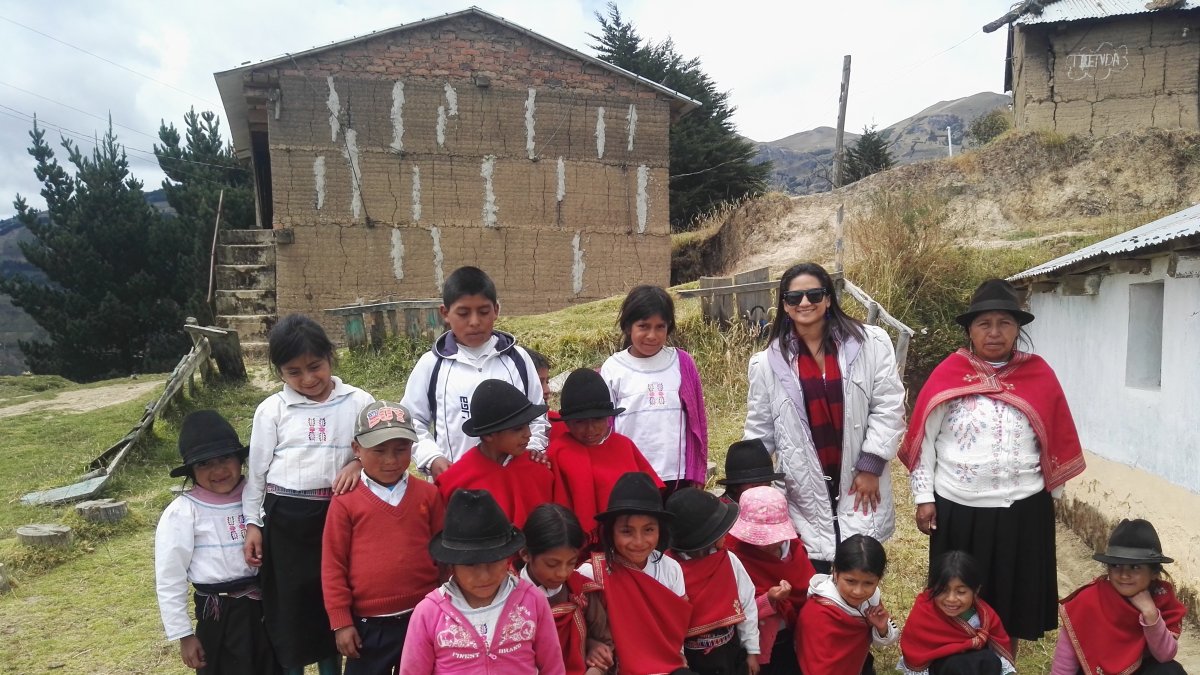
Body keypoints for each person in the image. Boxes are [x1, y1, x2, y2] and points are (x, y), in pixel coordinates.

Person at [899, 278, 1085, 649]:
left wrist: (1053, 496)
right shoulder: (948, 374)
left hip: (1024, 509)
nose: (995, 333)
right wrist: (924, 497)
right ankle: (956, 662)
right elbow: (924, 441)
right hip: (959, 508)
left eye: (1005, 323)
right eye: (985, 324)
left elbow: (1057, 434)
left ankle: (1003, 664)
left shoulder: (1040, 374)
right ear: (970, 329)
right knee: (956, 599)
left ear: (1018, 329)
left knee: (1012, 601)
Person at [743, 262, 905, 570]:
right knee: (812, 578)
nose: (805, 303)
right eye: (794, 298)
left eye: (814, 294)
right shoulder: (767, 363)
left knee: (858, 577)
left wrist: (871, 465)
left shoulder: (870, 343)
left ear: (829, 298)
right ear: (785, 306)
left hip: (859, 477)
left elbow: (889, 404)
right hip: (803, 485)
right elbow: (759, 429)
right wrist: (750, 482)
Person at [242, 314, 375, 675]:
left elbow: (379, 449)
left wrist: (359, 464)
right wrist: (253, 524)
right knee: (291, 606)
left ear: (330, 356)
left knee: (330, 602)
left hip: (339, 516)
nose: (308, 379)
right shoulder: (273, 410)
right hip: (285, 520)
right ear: (280, 373)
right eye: (293, 372)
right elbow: (256, 474)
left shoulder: (359, 401)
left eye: (315, 366)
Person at [322, 401, 446, 674]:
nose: (390, 460)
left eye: (400, 449)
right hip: (368, 626)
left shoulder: (428, 495)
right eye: (379, 450)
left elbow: (443, 555)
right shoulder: (345, 502)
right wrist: (341, 622)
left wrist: (448, 604)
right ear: (357, 450)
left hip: (422, 616)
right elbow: (333, 565)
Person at [155, 410, 278, 675]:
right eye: (204, 464)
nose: (218, 470)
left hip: (266, 607)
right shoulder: (183, 512)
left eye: (226, 458)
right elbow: (169, 578)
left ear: (241, 460)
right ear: (191, 471)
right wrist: (184, 635)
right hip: (217, 614)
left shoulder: (260, 495)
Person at [401, 266, 548, 478]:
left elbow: (538, 412)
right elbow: (412, 421)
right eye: (463, 313)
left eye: (484, 311)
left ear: (496, 310)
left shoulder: (517, 359)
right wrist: (432, 458)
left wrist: (533, 447)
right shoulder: (432, 365)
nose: (475, 322)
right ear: (445, 313)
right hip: (457, 482)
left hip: (514, 479)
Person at [399, 489, 566, 674]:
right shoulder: (429, 613)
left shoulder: (532, 601)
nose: (484, 576)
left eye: (493, 562)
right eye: (470, 565)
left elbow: (553, 667)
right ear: (451, 565)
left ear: (507, 558)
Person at [577, 472, 691, 674]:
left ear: (660, 530)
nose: (639, 542)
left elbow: (676, 628)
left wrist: (677, 656)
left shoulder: (671, 569)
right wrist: (591, 644)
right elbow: (575, 629)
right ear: (611, 532)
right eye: (627, 531)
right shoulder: (591, 572)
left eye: (648, 530)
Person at [600, 285, 708, 496]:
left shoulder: (681, 363)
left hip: (676, 476)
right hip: (631, 476)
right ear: (628, 326)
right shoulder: (613, 368)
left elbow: (697, 421)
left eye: (660, 327)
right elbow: (607, 427)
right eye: (643, 326)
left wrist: (697, 470)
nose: (652, 335)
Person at [1053, 519, 1187, 675]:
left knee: (1171, 671)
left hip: (1139, 669)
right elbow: (1064, 664)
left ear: (1154, 573)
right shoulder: (1089, 600)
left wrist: (1150, 614)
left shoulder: (1161, 599)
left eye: (1135, 567)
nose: (1124, 574)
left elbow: (1165, 655)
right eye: (1116, 565)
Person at [548, 367, 662, 547]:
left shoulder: (623, 446)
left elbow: (648, 492)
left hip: (630, 541)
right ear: (567, 423)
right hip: (578, 545)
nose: (590, 430)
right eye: (580, 422)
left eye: (598, 420)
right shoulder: (559, 451)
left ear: (608, 418)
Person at [666, 488, 761, 675]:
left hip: (729, 653)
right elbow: (668, 621)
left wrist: (752, 650)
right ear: (706, 537)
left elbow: (747, 604)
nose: (726, 536)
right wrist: (678, 657)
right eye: (721, 531)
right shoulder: (669, 569)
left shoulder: (729, 561)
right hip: (691, 660)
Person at [434, 378, 553, 528]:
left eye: (528, 425)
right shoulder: (455, 481)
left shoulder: (538, 469)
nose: (528, 434)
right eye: (517, 429)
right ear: (488, 435)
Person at [726, 486, 816, 675]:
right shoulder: (735, 556)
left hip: (794, 637)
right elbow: (736, 609)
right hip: (758, 644)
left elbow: (808, 590)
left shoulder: (796, 550)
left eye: (771, 538)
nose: (765, 544)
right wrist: (770, 599)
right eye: (758, 538)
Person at [520, 503, 614, 675]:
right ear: (526, 554)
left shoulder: (582, 592)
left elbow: (604, 643)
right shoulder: (509, 598)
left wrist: (595, 653)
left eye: (571, 563)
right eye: (552, 564)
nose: (562, 573)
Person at [795, 535, 898, 675]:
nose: (858, 591)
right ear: (835, 572)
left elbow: (884, 640)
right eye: (850, 581)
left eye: (868, 583)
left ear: (878, 579)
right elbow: (816, 667)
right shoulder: (816, 613)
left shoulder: (872, 598)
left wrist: (882, 628)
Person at [899, 551, 1015, 675]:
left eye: (961, 592)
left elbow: (999, 651)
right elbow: (916, 652)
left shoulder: (985, 616)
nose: (951, 599)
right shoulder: (924, 614)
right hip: (943, 669)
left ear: (976, 590)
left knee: (990, 660)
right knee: (958, 666)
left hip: (978, 667)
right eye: (943, 590)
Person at [717, 439, 785, 504]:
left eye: (768, 485)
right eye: (756, 486)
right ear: (734, 487)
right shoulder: (723, 514)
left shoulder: (770, 508)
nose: (764, 492)